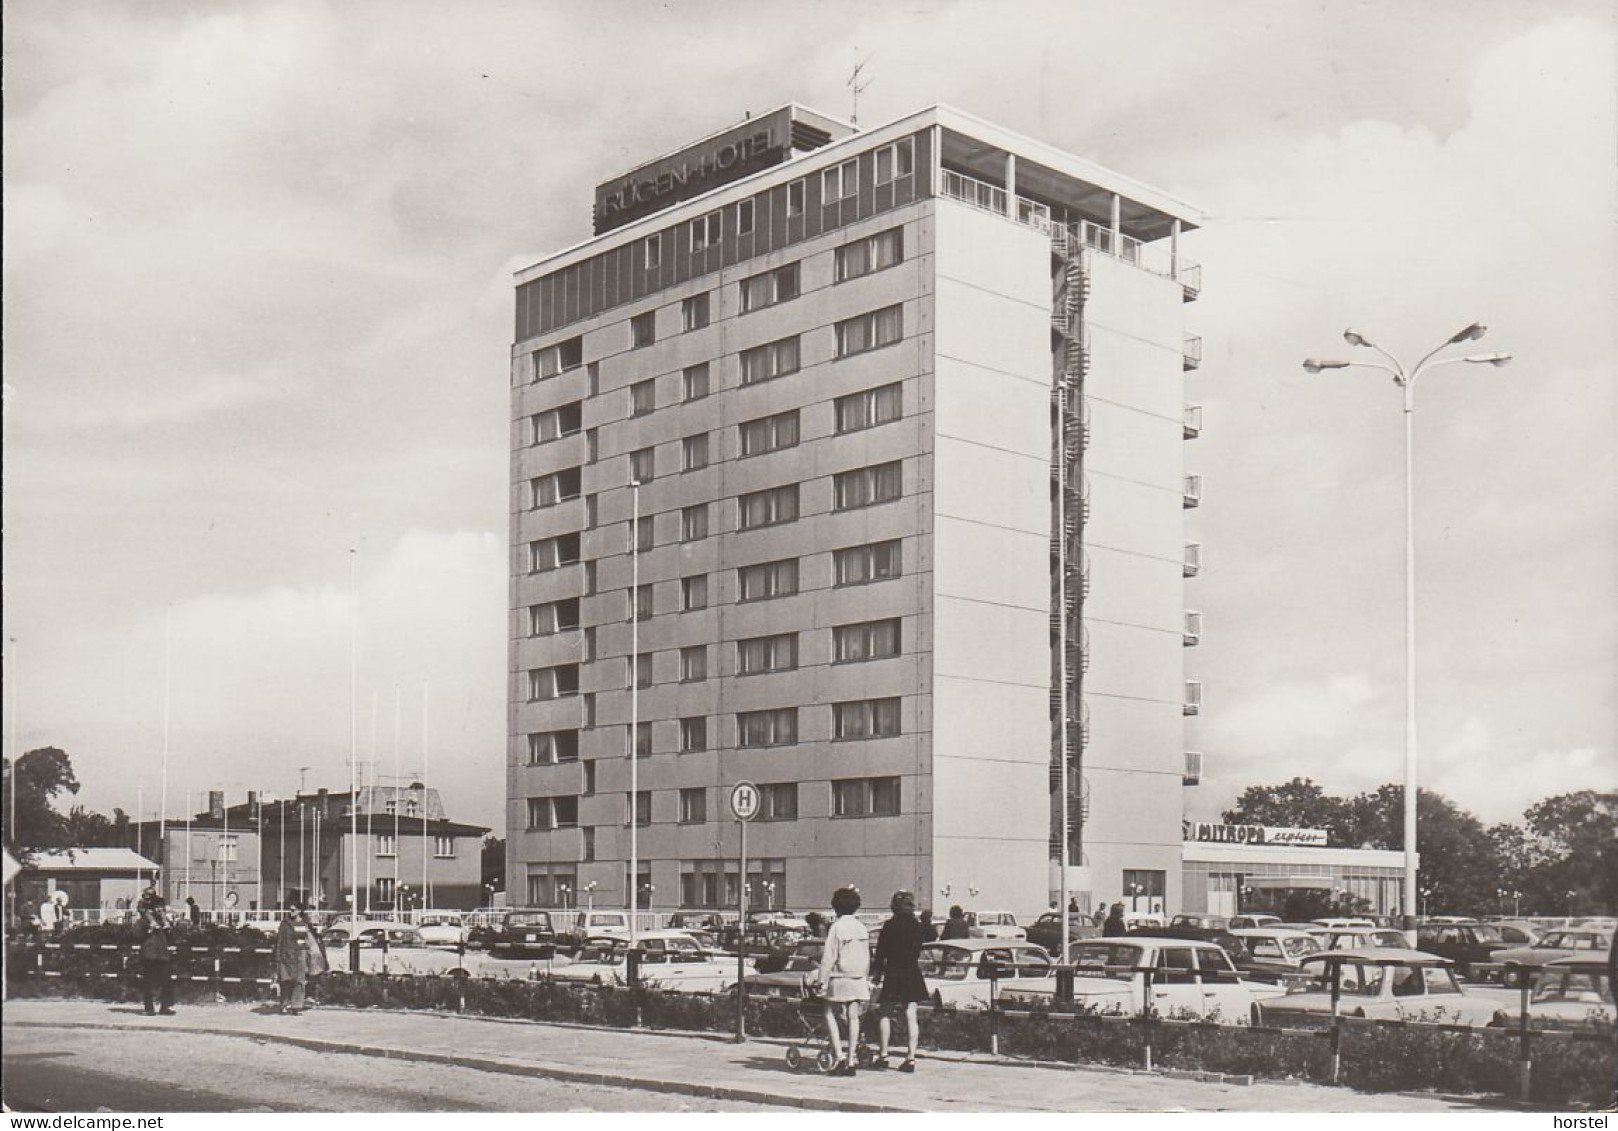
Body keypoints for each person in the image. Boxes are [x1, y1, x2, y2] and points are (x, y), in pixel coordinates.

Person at [870, 891, 929, 1073]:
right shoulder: (917, 926)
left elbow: (880, 954)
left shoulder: (889, 926)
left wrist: (877, 973)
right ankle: (910, 1058)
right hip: (912, 971)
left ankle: (883, 1055)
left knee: (885, 1012)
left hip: (894, 972)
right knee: (911, 1014)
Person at [816, 886, 871, 1077]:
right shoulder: (861, 927)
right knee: (853, 1016)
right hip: (858, 976)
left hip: (840, 976)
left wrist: (821, 980)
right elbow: (866, 955)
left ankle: (839, 1056)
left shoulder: (837, 927)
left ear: (836, 907)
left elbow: (829, 956)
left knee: (829, 1011)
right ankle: (851, 1059)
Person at [138, 908, 177, 1015]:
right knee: (148, 982)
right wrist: (148, 930)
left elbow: (171, 937)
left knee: (166, 981)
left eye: (160, 908)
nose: (158, 910)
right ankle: (149, 1009)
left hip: (162, 954)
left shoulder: (163, 921)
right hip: (149, 955)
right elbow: (135, 935)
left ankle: (165, 1007)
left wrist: (169, 928)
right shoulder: (142, 921)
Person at [274, 905, 312, 1015]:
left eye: (293, 909)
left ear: (299, 911)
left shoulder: (305, 923)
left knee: (300, 981)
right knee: (285, 980)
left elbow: (308, 939)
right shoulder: (285, 924)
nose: (291, 911)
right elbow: (279, 941)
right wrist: (278, 957)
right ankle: (284, 1004)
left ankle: (296, 1006)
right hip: (288, 954)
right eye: (290, 909)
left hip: (301, 953)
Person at [301, 907, 330, 1007]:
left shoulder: (313, 931)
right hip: (311, 957)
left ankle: (313, 997)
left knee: (315, 977)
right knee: (310, 977)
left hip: (317, 957)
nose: (316, 918)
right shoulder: (305, 929)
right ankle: (308, 997)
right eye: (312, 916)